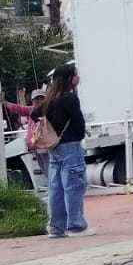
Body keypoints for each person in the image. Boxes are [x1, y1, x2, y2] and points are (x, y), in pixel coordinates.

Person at [42, 63, 90, 238]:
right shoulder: (69, 97)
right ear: (70, 78)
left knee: (56, 188)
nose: (78, 77)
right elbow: (78, 122)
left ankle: (56, 227)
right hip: (70, 146)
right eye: (75, 75)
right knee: (74, 186)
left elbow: (34, 113)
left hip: (54, 147)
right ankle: (76, 225)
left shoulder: (50, 98)